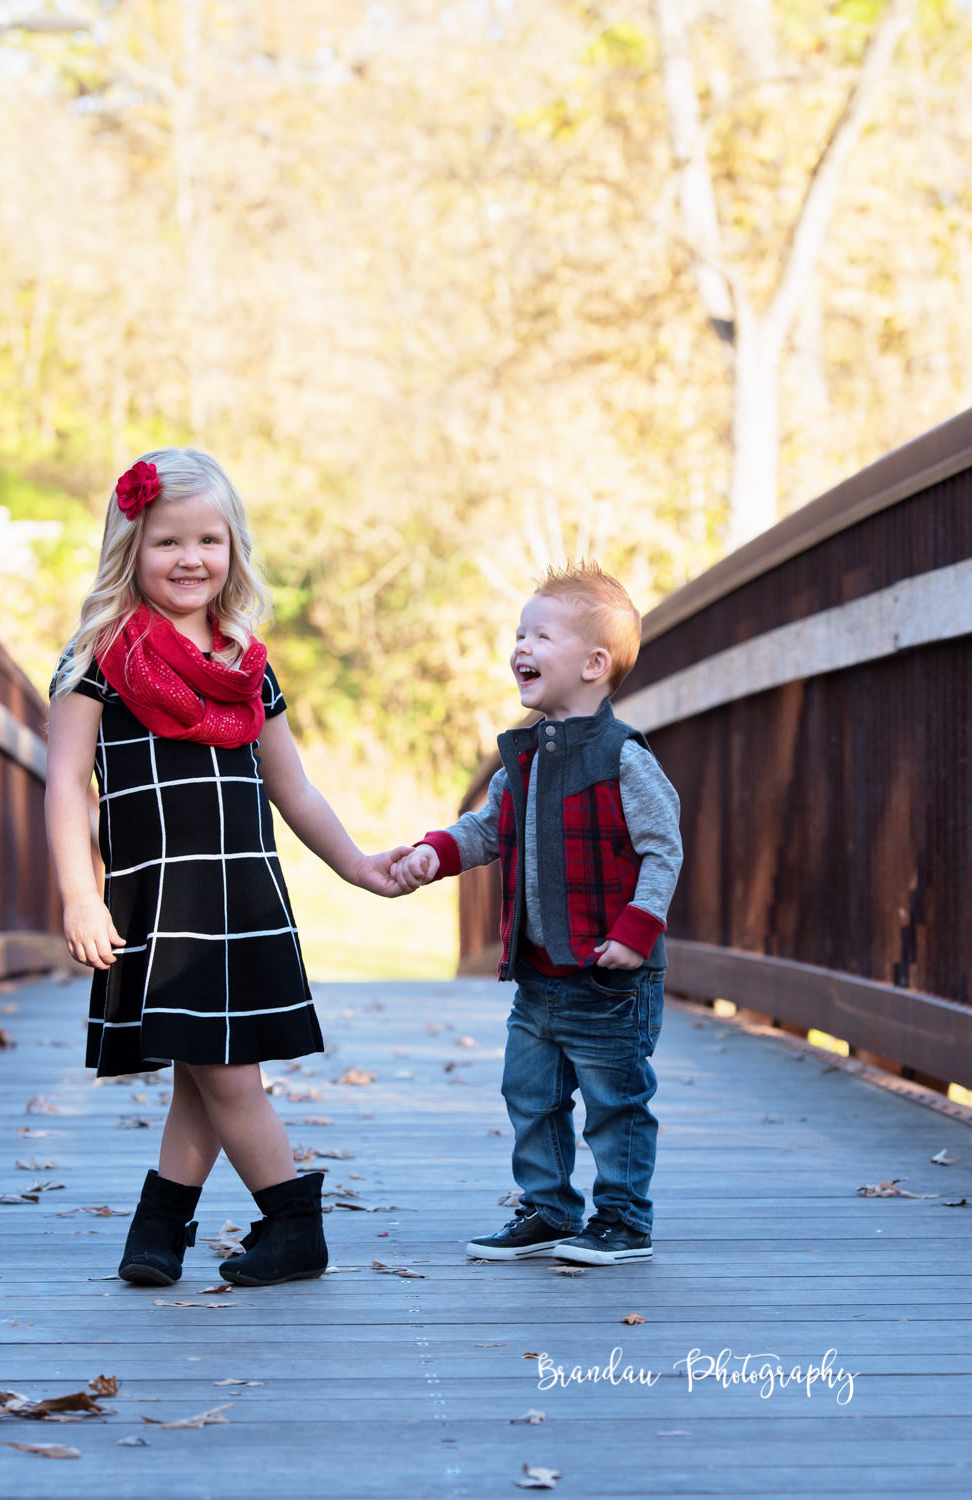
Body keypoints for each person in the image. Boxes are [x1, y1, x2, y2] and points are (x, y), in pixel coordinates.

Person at [46, 448, 409, 1289]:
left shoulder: (247, 661)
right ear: (130, 549)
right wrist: (79, 891)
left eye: (209, 539)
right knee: (211, 1067)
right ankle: (277, 1222)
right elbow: (66, 782)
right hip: (160, 897)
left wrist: (357, 865)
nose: (190, 559)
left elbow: (294, 787)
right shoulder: (97, 657)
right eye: (168, 541)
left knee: (210, 1066)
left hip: (240, 893)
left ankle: (181, 1227)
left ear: (233, 548)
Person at [392, 563, 682, 1266]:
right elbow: (489, 830)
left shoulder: (623, 758)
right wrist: (436, 853)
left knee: (615, 1104)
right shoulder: (521, 761)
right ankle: (549, 1209)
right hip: (539, 978)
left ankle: (623, 1220)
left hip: (610, 977)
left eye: (539, 635)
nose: (519, 647)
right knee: (530, 1095)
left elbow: (662, 847)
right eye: (518, 633)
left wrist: (637, 934)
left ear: (593, 663)